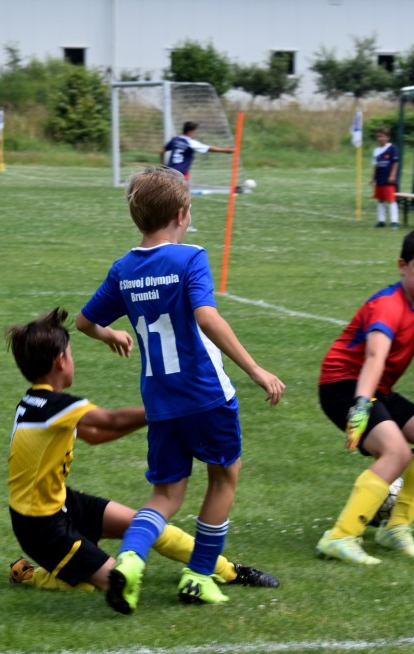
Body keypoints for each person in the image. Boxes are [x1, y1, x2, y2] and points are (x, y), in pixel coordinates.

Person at [74, 166, 285, 613]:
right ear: (181, 214)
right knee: (224, 476)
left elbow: (84, 321)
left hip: (160, 401)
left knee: (165, 496)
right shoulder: (190, 258)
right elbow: (207, 317)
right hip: (206, 394)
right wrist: (254, 369)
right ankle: (198, 576)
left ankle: (130, 560)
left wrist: (110, 334)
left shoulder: (124, 269)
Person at [5, 308, 279, 598]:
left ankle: (229, 570)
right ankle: (30, 575)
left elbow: (95, 436)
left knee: (149, 525)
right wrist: (165, 410)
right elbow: (110, 421)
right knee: (115, 582)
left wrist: (159, 417)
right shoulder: (55, 406)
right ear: (61, 361)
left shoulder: (35, 403)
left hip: (61, 503)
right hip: (40, 527)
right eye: (71, 355)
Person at [315, 228, 414, 565]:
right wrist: (361, 407)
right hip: (343, 386)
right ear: (402, 266)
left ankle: (396, 528)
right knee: (396, 452)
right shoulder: (386, 305)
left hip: (377, 389)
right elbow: (374, 356)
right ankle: (340, 536)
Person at [162, 121, 234, 181]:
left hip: (169, 170)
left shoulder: (175, 140)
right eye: (194, 132)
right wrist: (226, 150)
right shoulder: (190, 142)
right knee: (181, 192)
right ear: (190, 132)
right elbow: (208, 148)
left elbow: (162, 151)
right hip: (181, 172)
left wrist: (164, 164)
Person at [370, 127, 400, 230]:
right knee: (380, 200)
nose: (380, 138)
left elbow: (395, 163)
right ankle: (381, 221)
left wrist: (392, 175)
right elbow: (375, 166)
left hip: (388, 180)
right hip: (380, 179)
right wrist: (373, 178)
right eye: (378, 136)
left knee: (391, 199)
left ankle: (394, 221)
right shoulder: (376, 151)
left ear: (387, 137)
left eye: (382, 136)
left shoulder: (391, 148)